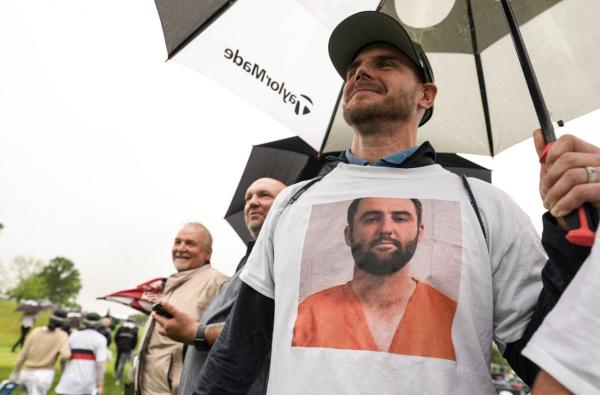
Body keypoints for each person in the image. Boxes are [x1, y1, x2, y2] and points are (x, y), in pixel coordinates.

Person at [195, 11, 599, 394]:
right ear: (348, 232)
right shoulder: (292, 204)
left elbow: (546, 358)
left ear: (426, 95)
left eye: (385, 63)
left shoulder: (486, 206)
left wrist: (571, 236)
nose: (361, 72)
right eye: (354, 68)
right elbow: (237, 354)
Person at [152, 178, 286, 394]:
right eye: (248, 197)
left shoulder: (284, 259)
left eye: (264, 195)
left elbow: (265, 329)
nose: (252, 202)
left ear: (288, 204)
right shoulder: (249, 263)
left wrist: (196, 332)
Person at [292, 197, 456, 360]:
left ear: (419, 233)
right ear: (349, 235)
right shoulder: (309, 315)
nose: (386, 229)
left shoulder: (451, 317)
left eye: (399, 219)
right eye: (371, 219)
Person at [135, 222, 229, 395]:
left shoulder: (218, 283)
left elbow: (230, 338)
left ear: (208, 253)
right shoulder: (173, 284)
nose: (181, 248)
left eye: (190, 243)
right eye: (178, 242)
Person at [10, 309, 71, 395]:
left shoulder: (35, 331)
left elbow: (23, 354)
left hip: (25, 373)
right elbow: (66, 355)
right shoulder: (62, 335)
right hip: (43, 374)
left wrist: (15, 373)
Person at [55, 312, 108, 395]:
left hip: (69, 379)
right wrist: (100, 385)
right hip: (87, 383)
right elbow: (100, 364)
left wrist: (63, 373)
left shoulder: (73, 335)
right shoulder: (101, 339)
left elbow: (64, 358)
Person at [114, 319, 138, 384]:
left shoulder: (120, 328)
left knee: (119, 360)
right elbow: (135, 341)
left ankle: (116, 374)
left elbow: (115, 338)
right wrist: (132, 348)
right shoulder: (135, 330)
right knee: (122, 363)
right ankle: (118, 379)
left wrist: (118, 344)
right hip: (127, 348)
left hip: (120, 347)